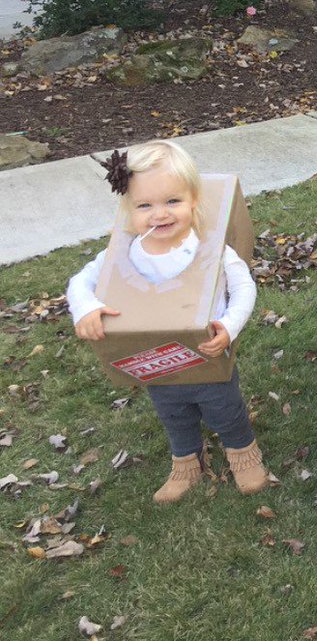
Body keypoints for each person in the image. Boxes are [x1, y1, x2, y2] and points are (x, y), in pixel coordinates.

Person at [67, 140, 267, 504]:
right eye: (145, 205)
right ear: (128, 209)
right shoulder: (122, 254)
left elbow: (243, 288)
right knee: (173, 413)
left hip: (208, 356)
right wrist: (85, 307)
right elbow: (79, 281)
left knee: (224, 409)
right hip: (158, 359)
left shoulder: (211, 248)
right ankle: (186, 462)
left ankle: (243, 453)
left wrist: (229, 325)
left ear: (194, 200)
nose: (159, 214)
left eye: (172, 202)